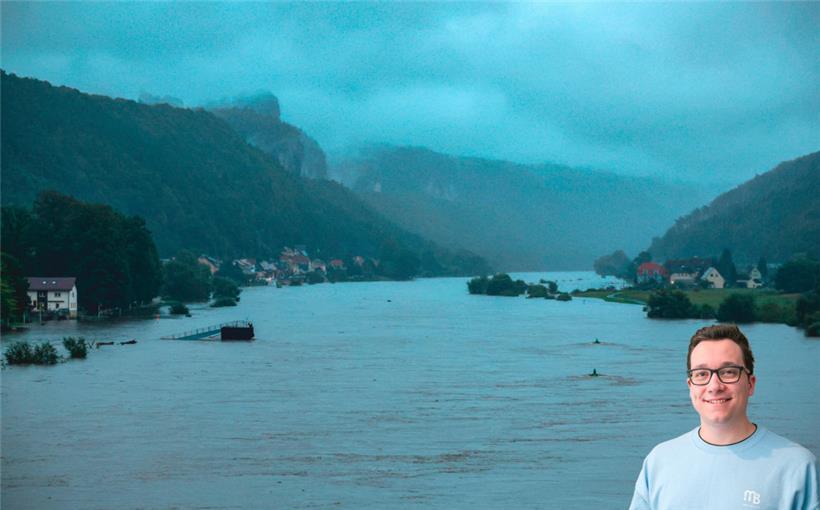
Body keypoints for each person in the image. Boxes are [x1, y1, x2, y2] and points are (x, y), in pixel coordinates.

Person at [629, 324, 818, 510]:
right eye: (701, 374)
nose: (714, 386)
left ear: (750, 384)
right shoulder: (659, 461)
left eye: (728, 372)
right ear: (690, 386)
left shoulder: (797, 467)